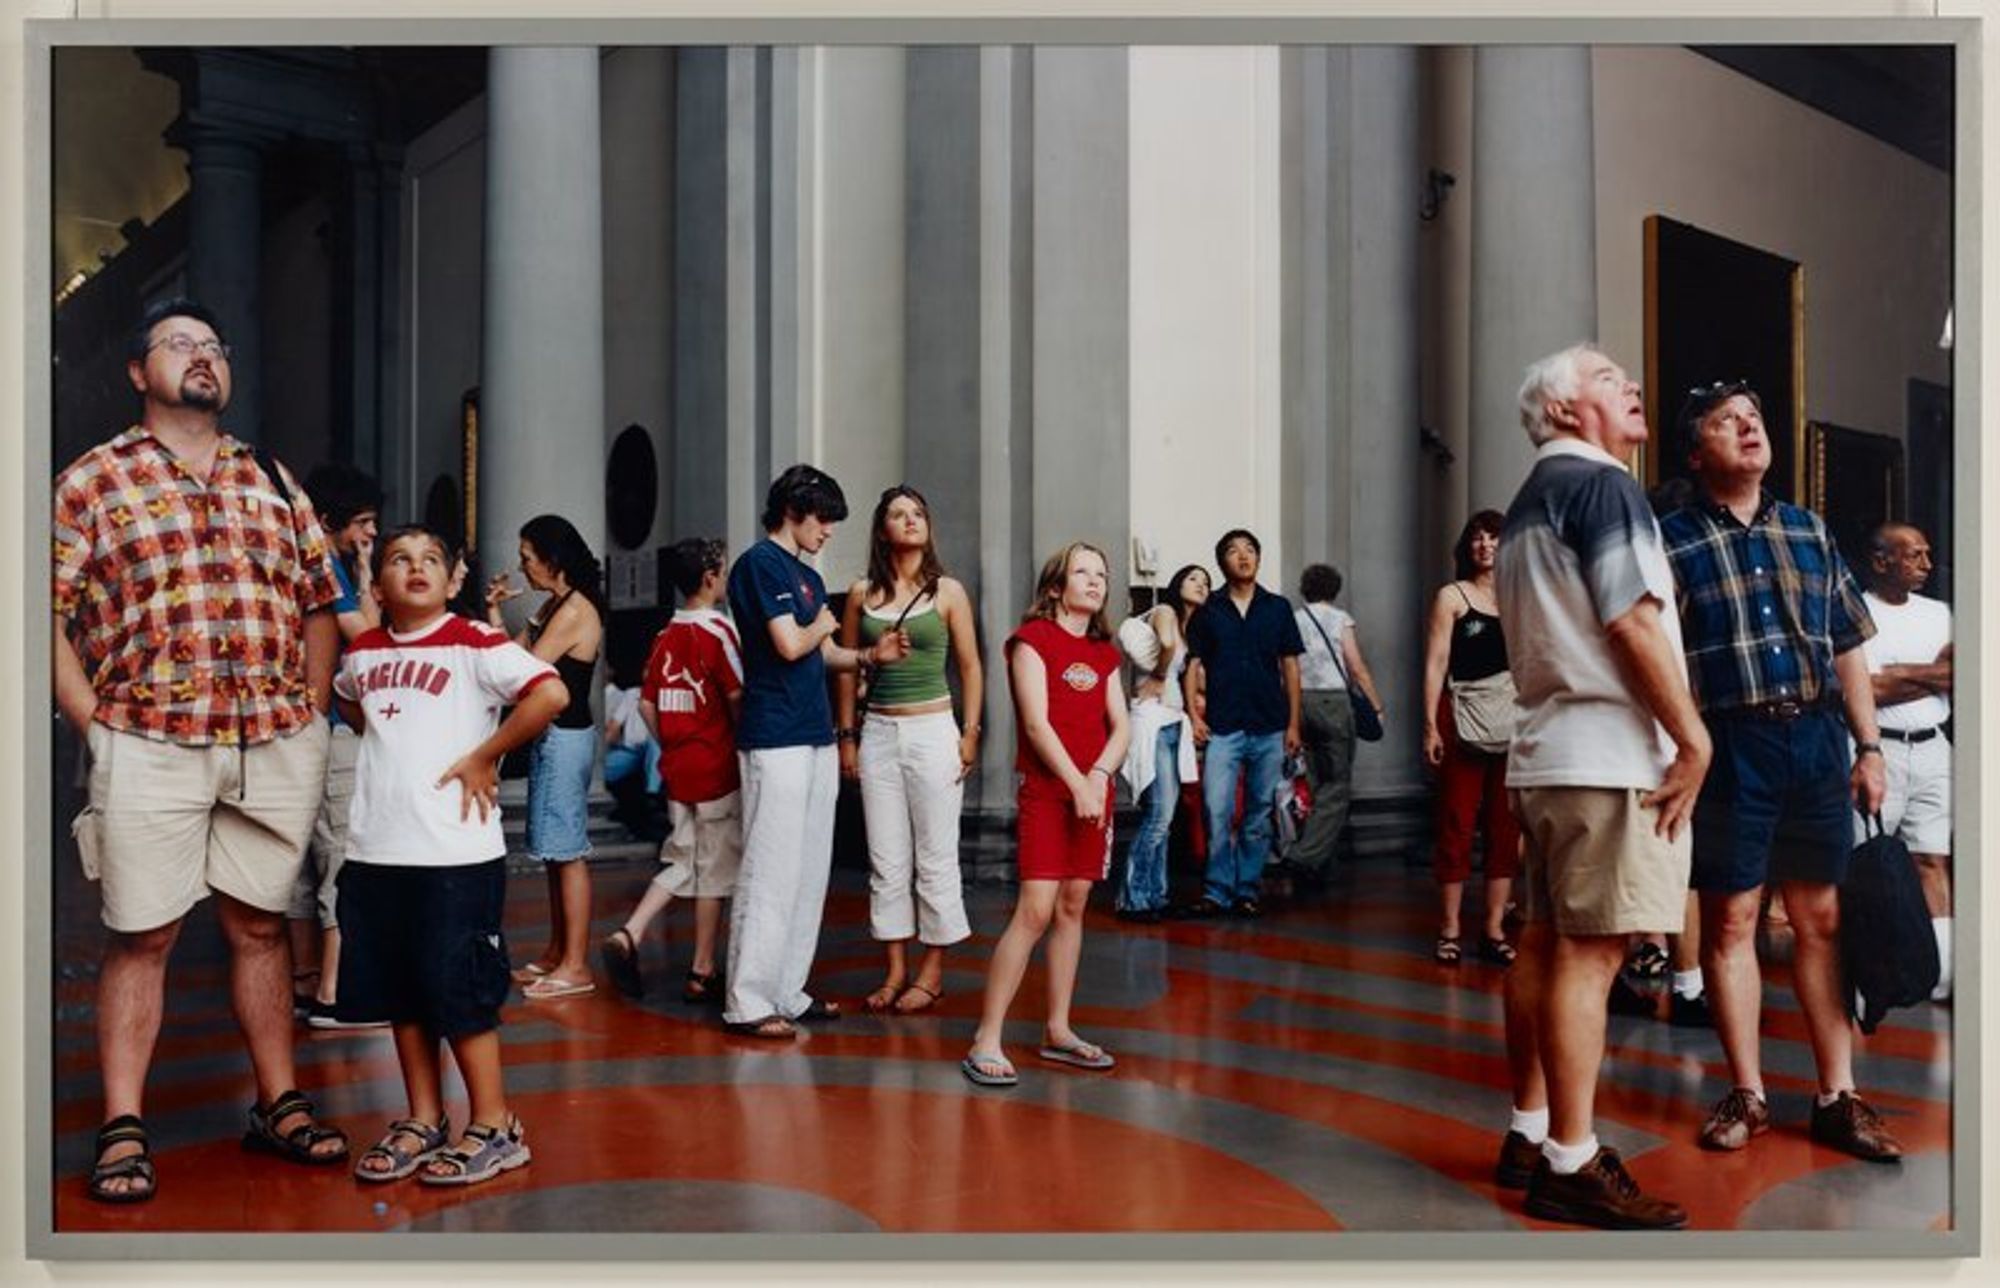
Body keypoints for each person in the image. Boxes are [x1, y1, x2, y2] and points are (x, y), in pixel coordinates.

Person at [54, 298, 348, 1202]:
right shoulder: (91, 482)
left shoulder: (271, 478)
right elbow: (37, 613)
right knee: (143, 935)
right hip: (149, 736)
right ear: (140, 374)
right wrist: (91, 722)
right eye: (180, 345)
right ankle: (122, 1125)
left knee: (260, 928)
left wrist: (307, 708)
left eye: (215, 346)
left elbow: (317, 598)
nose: (203, 358)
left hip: (269, 739)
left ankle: (279, 1103)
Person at [1492, 344, 1709, 1230]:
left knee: (1544, 945)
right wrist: (1692, 737)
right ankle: (1572, 1162)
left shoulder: (1526, 504)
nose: (1630, 386)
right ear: (1569, 408)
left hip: (1546, 754)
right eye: (1608, 377)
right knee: (1593, 955)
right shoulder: (1604, 487)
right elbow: (1629, 622)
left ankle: (1529, 1129)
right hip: (1612, 758)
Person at [1660, 378, 1897, 1162]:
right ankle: (1749, 1093)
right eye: (1727, 422)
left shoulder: (1809, 530)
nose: (1748, 428)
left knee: (1820, 920)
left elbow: (1847, 645)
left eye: (1754, 418)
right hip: (1730, 748)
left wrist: (1868, 747)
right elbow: (1663, 662)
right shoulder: (1672, 543)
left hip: (1816, 742)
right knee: (1731, 922)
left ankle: (1839, 1095)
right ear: (1698, 453)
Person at [335, 524, 567, 1186]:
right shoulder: (363, 654)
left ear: (453, 578)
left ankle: (494, 1124)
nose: (416, 568)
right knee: (403, 992)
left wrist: (484, 755)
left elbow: (549, 693)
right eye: (399, 560)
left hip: (454, 853)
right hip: (380, 849)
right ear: (376, 583)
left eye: (431, 559)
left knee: (460, 991)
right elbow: (354, 707)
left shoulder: (473, 641)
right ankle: (423, 1117)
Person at [723, 465, 909, 1038]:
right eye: (823, 519)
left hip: (813, 733)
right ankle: (748, 999)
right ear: (793, 511)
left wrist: (868, 657)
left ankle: (786, 989)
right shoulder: (759, 564)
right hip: (774, 735)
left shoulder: (803, 574)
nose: (828, 531)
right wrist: (823, 622)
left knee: (806, 870)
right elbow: (787, 644)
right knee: (769, 869)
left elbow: (821, 653)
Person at [962, 542, 1131, 1087]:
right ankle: (986, 1037)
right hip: (1047, 791)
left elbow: (1121, 728)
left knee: (1074, 905)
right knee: (1036, 909)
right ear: (1055, 585)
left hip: (1091, 791)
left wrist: (1099, 777)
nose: (1095, 580)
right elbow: (1036, 724)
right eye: (1082, 571)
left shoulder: (1105, 651)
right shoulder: (1031, 641)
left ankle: (1058, 1030)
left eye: (1101, 573)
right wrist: (1076, 783)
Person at [836, 486, 982, 1014]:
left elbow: (970, 665)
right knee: (886, 858)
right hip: (878, 733)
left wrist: (970, 731)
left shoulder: (948, 592)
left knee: (936, 856)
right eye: (898, 514)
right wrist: (846, 736)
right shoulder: (860, 594)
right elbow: (849, 667)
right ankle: (895, 969)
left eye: (918, 513)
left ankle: (932, 971)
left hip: (933, 729)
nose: (910, 520)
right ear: (882, 530)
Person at [599, 538, 745, 1005]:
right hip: (717, 769)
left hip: (678, 768)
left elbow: (645, 702)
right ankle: (702, 970)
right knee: (716, 869)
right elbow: (738, 696)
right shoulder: (719, 632)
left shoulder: (664, 636)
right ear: (709, 577)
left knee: (682, 861)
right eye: (721, 571)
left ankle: (631, 931)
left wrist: (672, 744)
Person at [486, 515, 605, 999]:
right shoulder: (556, 604)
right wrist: (495, 613)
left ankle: (576, 965)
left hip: (566, 737)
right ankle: (558, 953)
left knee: (568, 851)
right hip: (553, 737)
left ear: (553, 559)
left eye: (528, 557)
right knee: (555, 853)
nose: (522, 566)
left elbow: (523, 669)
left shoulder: (575, 610)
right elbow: (512, 653)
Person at [289, 462, 387, 1029]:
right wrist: (367, 567)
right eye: (364, 524)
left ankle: (304, 985)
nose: (371, 534)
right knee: (341, 861)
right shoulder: (329, 567)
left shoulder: (300, 560)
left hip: (298, 730)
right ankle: (336, 994)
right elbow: (369, 640)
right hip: (330, 731)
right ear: (328, 520)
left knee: (301, 868)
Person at [1182, 529, 1305, 918]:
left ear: (1258, 558)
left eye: (1250, 549)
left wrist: (1294, 723)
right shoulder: (1209, 611)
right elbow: (1193, 665)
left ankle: (1246, 889)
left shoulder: (1278, 608)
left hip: (1270, 723)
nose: (1243, 556)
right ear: (1222, 563)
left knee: (1257, 812)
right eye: (1234, 551)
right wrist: (1193, 714)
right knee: (1216, 809)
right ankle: (1217, 889)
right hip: (1223, 725)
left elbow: (1290, 666)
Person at [1419, 514, 1521, 965]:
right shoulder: (1453, 596)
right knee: (1457, 823)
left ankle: (1495, 928)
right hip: (1462, 716)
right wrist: (1430, 724)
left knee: (1505, 827)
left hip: (1513, 719)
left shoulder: (1522, 598)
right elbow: (1437, 662)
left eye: (1494, 536)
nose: (1484, 544)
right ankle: (1450, 928)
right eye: (1477, 537)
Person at [1858, 522, 1953, 1002]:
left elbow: (1962, 672)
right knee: (1865, 862)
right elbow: (1867, 689)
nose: (1927, 565)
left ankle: (1941, 977)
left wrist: (1899, 674)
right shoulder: (1857, 609)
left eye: (1926, 554)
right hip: (1878, 748)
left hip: (1934, 747)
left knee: (1932, 859)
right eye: (1914, 555)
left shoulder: (1940, 613)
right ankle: (1868, 972)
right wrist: (1933, 675)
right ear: (1881, 561)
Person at [1112, 565, 1205, 922]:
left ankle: (1156, 896)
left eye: (1206, 582)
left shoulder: (1186, 627)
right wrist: (1161, 675)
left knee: (1164, 818)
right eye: (1194, 578)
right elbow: (1165, 646)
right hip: (1152, 719)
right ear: (1177, 583)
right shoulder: (1165, 612)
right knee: (1159, 814)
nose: (1202, 585)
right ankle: (1133, 898)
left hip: (1170, 723)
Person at [1290, 562, 1384, 891]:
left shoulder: (1294, 619)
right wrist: (1375, 704)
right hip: (1333, 702)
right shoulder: (1339, 619)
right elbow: (1355, 665)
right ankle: (1303, 856)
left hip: (1300, 702)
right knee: (1338, 784)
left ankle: (1321, 866)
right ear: (1335, 588)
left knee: (1315, 785)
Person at [601, 654, 665, 843]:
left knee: (653, 744)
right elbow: (613, 728)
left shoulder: (667, 696)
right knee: (601, 769)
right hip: (630, 752)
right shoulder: (632, 694)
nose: (648, 673)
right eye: (647, 668)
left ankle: (652, 794)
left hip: (657, 750)